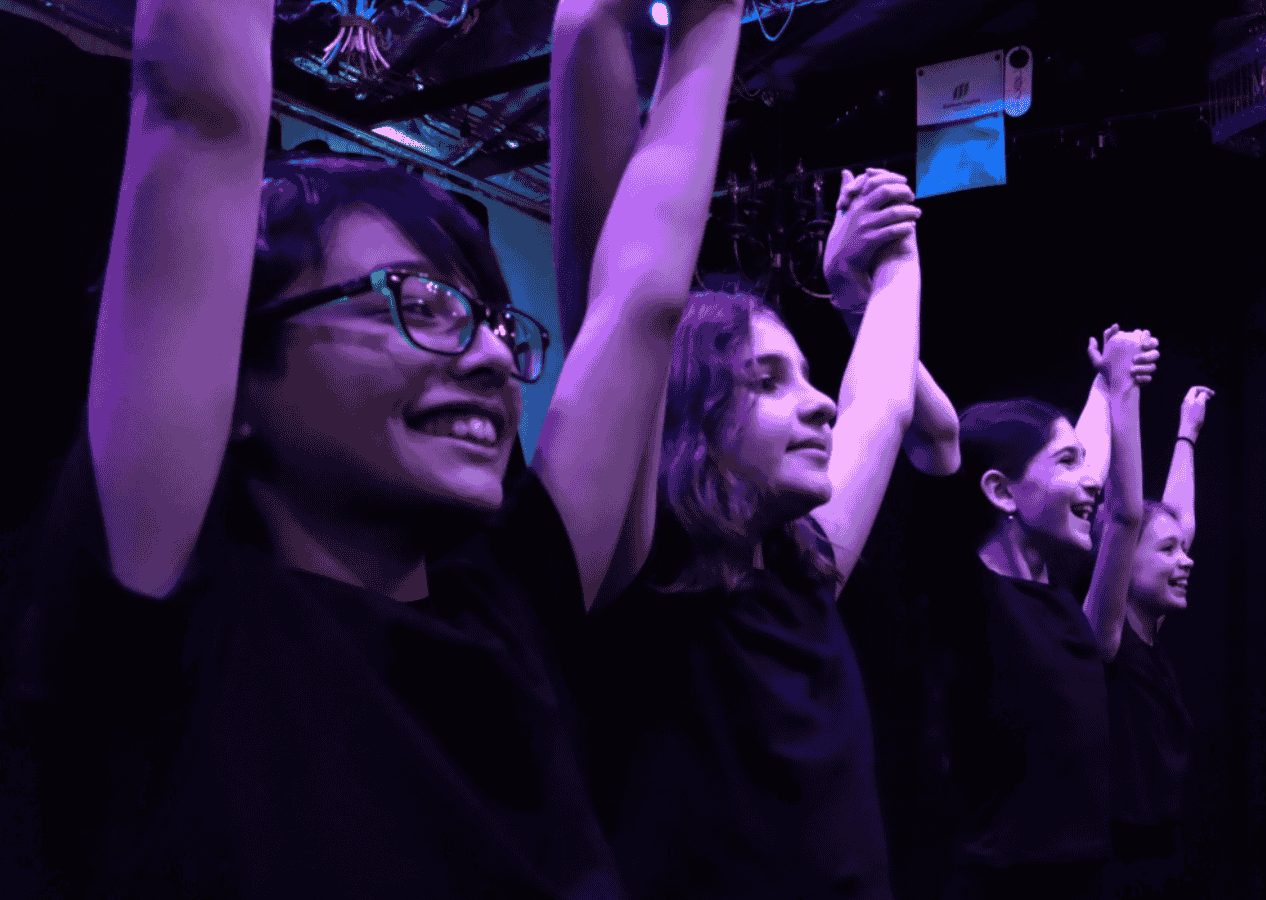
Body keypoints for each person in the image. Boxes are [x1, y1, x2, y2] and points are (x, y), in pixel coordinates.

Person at [0, 0, 744, 894]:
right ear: (235, 377)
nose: (493, 357)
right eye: (418, 306)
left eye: (493, 322)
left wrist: (713, 15)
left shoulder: (503, 603)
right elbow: (202, 109)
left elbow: (643, 298)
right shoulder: (168, 624)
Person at [575, 162, 951, 899]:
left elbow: (881, 402)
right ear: (687, 413)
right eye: (768, 380)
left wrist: (891, 254)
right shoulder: (636, 573)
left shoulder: (804, 576)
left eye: (809, 377)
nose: (820, 405)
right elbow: (630, 301)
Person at [934, 326, 1158, 900]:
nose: (1089, 479)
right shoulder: (968, 598)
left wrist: (1109, 387)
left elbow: (1121, 507)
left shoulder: (1068, 613)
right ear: (1000, 493)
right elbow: (929, 429)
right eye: (1066, 462)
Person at [1103, 386, 1214, 895]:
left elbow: (1180, 524)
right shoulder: (1107, 638)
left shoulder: (1149, 634)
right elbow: (1127, 518)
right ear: (1125, 558)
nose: (1185, 559)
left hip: (1167, 861)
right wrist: (1122, 391)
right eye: (1167, 551)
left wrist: (1187, 432)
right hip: (1118, 869)